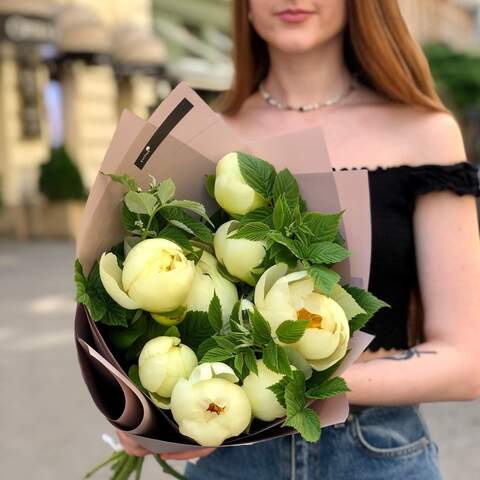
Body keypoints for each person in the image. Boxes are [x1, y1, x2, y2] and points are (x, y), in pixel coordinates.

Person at [118, 1, 480, 478]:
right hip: (231, 457)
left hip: (376, 456)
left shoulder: (423, 134)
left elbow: (465, 362)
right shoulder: (202, 139)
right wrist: (148, 403)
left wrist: (293, 385)